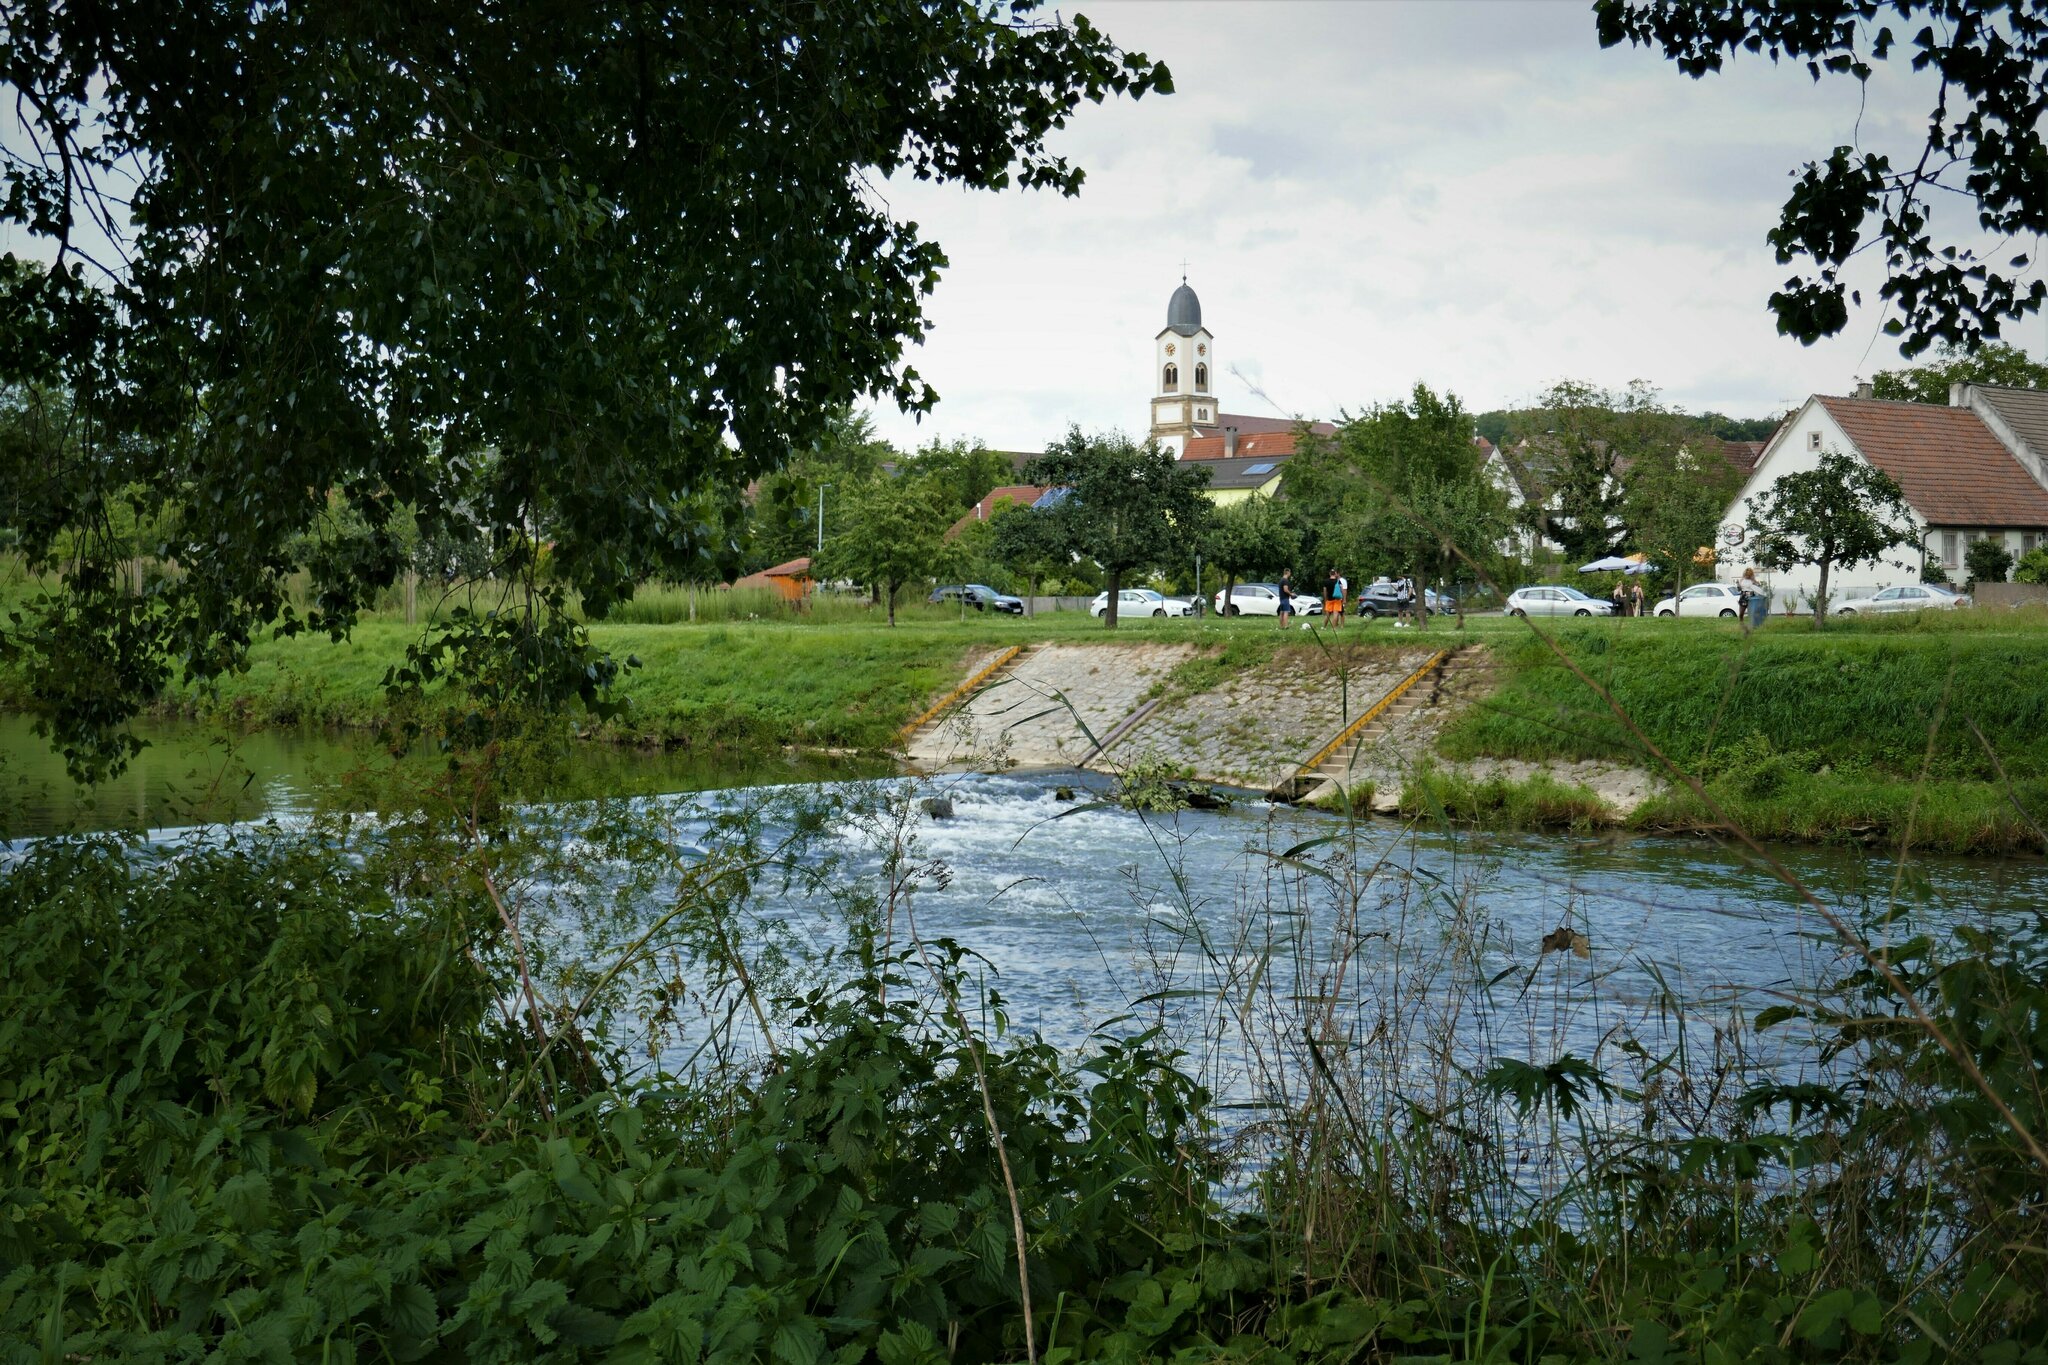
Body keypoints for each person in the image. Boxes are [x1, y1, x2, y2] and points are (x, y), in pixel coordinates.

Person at [1740, 567, 1768, 631]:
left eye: (1748, 575)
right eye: (1746, 575)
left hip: (1750, 595)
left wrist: (1755, 582)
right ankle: (1742, 625)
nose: (1747, 576)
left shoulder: (1752, 580)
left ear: (1750, 575)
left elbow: (1758, 587)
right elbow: (1740, 586)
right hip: (1743, 595)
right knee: (1741, 613)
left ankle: (1754, 625)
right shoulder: (1742, 579)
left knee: (1752, 612)